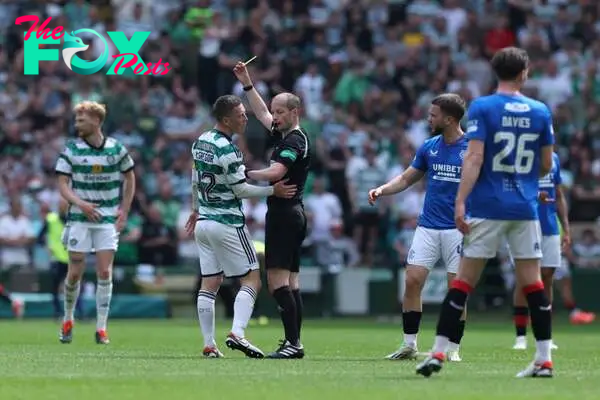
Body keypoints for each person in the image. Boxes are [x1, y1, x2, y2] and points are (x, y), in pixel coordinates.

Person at [416, 47, 555, 379]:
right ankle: (544, 359)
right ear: (524, 73)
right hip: (524, 207)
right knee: (533, 285)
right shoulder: (540, 111)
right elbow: (546, 164)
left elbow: (474, 159)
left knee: (463, 282)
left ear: (495, 73)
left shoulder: (483, 107)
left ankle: (437, 352)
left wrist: (461, 201)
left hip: (487, 206)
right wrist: (520, 180)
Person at [184, 95, 296, 358]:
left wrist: (195, 209)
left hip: (203, 222)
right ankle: (238, 333)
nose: (246, 118)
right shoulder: (228, 150)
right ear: (226, 119)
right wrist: (273, 191)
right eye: (241, 114)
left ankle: (209, 344)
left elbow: (195, 178)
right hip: (227, 221)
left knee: (209, 282)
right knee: (252, 278)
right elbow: (240, 189)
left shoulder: (200, 141)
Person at [369, 94, 469, 362]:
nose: (429, 118)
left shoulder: (473, 149)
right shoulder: (429, 147)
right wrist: (382, 190)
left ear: (449, 119)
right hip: (428, 226)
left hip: (459, 229)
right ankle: (409, 344)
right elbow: (406, 178)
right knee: (412, 281)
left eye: (433, 115)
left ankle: (452, 349)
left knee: (456, 290)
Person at [233, 61, 311, 359]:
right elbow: (261, 113)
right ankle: (294, 341)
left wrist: (244, 173)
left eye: (280, 112)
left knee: (277, 283)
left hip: (284, 214)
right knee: (291, 283)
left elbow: (277, 171)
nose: (274, 117)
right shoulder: (285, 132)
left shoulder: (294, 140)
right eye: (275, 111)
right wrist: (248, 83)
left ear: (294, 113)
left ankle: (293, 344)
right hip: (293, 213)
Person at [55, 101, 136, 345]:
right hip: (80, 218)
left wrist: (125, 210)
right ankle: (68, 318)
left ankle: (101, 328)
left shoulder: (116, 149)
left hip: (107, 218)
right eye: (76, 119)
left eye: (82, 119)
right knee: (75, 272)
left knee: (104, 271)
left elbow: (130, 178)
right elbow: (62, 185)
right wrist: (81, 204)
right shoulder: (72, 149)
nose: (77, 123)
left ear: (96, 121)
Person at [513, 173, 595, 349]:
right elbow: (512, 191)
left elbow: (558, 196)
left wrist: (566, 228)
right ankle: (520, 337)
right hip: (525, 225)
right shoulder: (522, 158)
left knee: (548, 279)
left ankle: (544, 336)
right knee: (523, 280)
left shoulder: (554, 161)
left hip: (551, 227)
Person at [38, 197, 83, 319]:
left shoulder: (74, 220)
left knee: (76, 285)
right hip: (57, 258)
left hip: (72, 257)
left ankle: (79, 312)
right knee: (55, 287)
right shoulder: (51, 219)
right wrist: (48, 247)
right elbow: (40, 237)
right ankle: (57, 312)